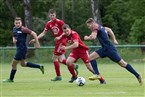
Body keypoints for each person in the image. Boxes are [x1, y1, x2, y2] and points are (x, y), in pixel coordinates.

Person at [84, 18, 143, 85]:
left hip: (110, 50)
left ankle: (137, 75)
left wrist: (87, 38)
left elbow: (93, 37)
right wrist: (114, 40)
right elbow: (110, 30)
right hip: (104, 49)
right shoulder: (101, 27)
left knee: (123, 64)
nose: (89, 28)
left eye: (89, 26)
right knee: (90, 58)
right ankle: (98, 75)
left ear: (92, 23)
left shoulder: (95, 27)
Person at [29, 9, 78, 81]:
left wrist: (59, 37)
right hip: (58, 42)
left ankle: (59, 76)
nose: (52, 17)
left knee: (54, 58)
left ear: (55, 15)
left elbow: (66, 31)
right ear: (49, 15)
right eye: (51, 15)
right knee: (60, 60)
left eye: (53, 15)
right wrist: (36, 39)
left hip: (61, 41)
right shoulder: (49, 24)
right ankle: (74, 66)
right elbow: (43, 33)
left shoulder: (60, 22)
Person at [3, 17, 44, 83]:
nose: (17, 24)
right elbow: (14, 35)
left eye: (19, 23)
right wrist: (13, 39)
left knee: (13, 64)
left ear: (21, 23)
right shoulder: (14, 28)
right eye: (16, 23)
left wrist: (37, 43)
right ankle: (40, 66)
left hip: (22, 49)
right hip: (19, 48)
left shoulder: (23, 29)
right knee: (23, 64)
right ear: (14, 23)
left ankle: (11, 79)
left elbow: (34, 33)